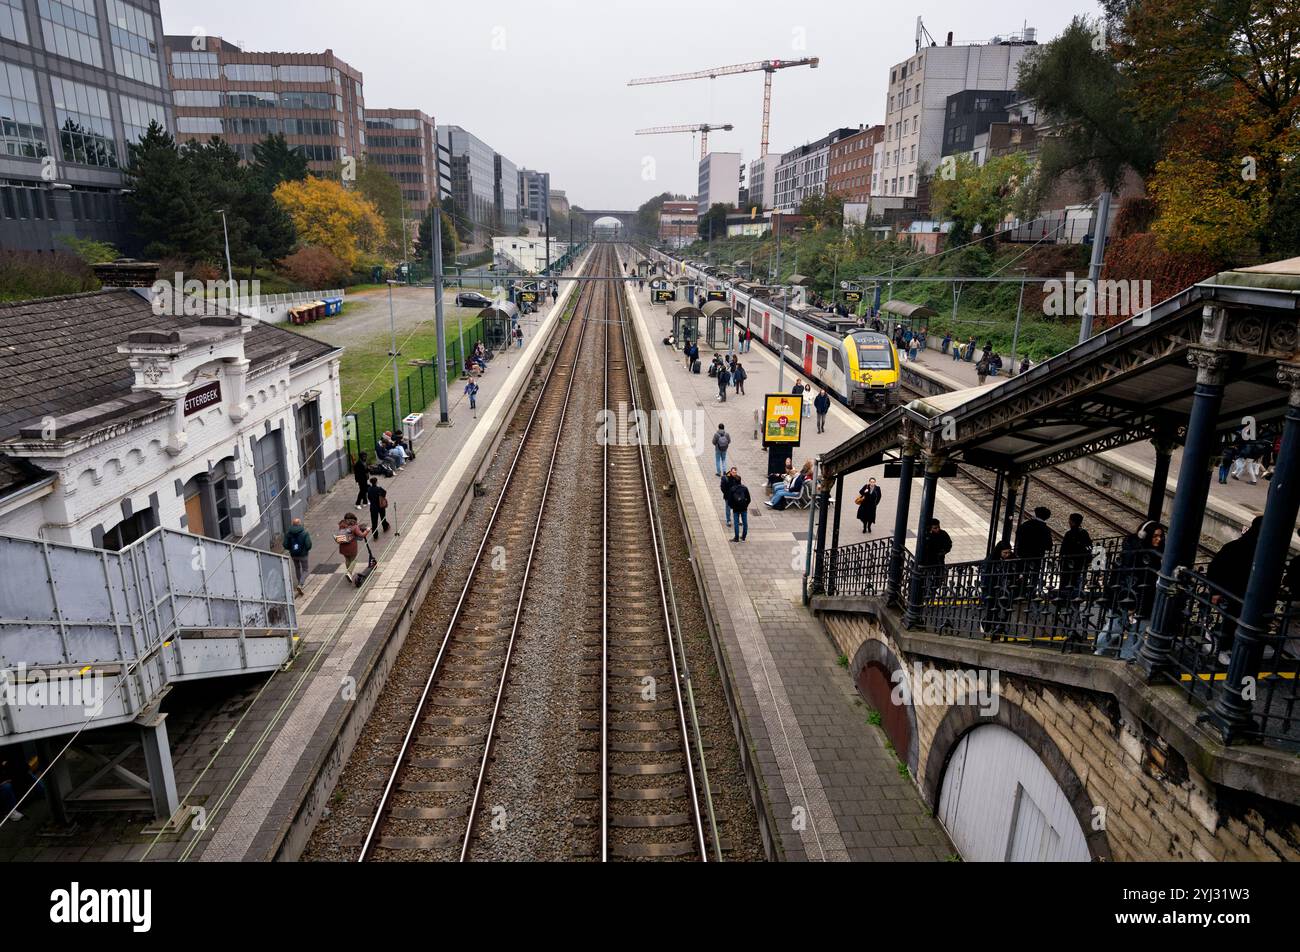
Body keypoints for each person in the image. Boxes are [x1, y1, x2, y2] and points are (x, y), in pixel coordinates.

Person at [1096, 520, 1165, 660]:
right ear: (1144, 535)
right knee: (1114, 627)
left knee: (1137, 632)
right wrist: (1130, 603)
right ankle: (1100, 651)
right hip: (1127, 599)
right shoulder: (1135, 554)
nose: (1159, 539)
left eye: (1161, 536)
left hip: (1145, 601)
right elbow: (1125, 577)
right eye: (1155, 536)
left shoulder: (1154, 554)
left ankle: (1125, 657)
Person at [1206, 516, 1264, 665]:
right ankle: (1222, 646)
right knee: (1233, 621)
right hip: (1233, 593)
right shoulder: (1239, 548)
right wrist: (1215, 592)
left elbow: (1214, 568)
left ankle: (1226, 645)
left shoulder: (1236, 546)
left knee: (1235, 621)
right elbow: (1215, 569)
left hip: (1238, 593)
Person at [980, 540, 1018, 638]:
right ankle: (986, 626)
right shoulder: (991, 561)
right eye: (1005, 553)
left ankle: (998, 630)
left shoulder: (1012, 559)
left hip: (1005, 591)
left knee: (1004, 611)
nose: (1007, 554)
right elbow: (986, 578)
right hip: (993, 590)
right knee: (993, 610)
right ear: (999, 552)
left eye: (1009, 552)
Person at [1015, 506, 1054, 597]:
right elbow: (1049, 546)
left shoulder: (1026, 524)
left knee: (1022, 573)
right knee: (1034, 575)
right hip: (1037, 556)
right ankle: (1031, 593)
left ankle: (1020, 592)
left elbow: (1018, 534)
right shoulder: (1046, 530)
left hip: (1023, 554)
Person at [1059, 512, 1092, 599]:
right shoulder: (1084, 533)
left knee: (1066, 580)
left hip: (1069, 562)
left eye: (1069, 520)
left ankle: (1065, 597)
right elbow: (1089, 546)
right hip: (1080, 562)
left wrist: (1061, 559)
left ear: (1072, 522)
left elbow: (1064, 549)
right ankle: (1075, 595)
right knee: (1077, 580)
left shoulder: (1069, 533)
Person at [336, 513, 369, 584]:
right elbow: (361, 535)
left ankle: (348, 572)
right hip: (352, 547)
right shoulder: (354, 526)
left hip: (343, 546)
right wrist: (367, 530)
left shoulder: (342, 525)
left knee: (347, 559)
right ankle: (349, 573)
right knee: (354, 559)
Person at [284, 517, 312, 596]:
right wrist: (306, 550)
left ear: (292, 524)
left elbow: (285, 545)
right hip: (303, 555)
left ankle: (300, 583)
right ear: (300, 524)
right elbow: (308, 545)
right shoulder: (304, 533)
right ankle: (300, 584)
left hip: (293, 555)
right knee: (305, 569)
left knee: (297, 568)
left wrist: (290, 548)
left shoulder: (288, 533)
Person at [728, 472, 752, 542]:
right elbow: (749, 499)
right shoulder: (744, 488)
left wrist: (732, 506)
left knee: (736, 523)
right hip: (744, 508)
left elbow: (729, 501)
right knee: (745, 523)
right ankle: (743, 537)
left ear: (734, 481)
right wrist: (746, 505)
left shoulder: (732, 489)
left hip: (736, 509)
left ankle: (736, 538)